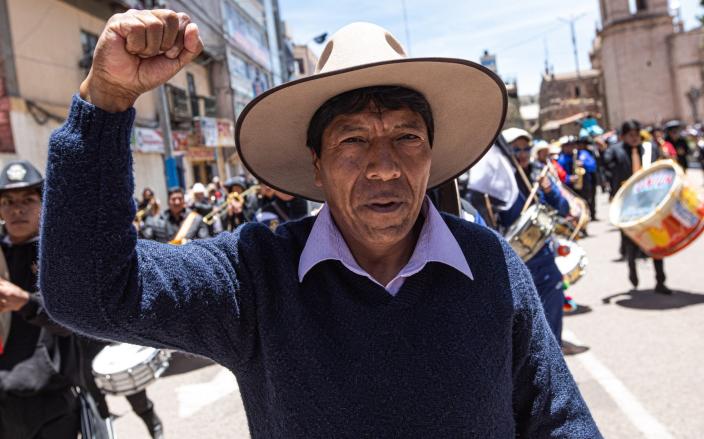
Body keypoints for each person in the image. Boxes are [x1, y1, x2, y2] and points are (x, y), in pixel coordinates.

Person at [39, 11, 600, 437]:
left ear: (430, 152)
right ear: (317, 162)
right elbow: (91, 295)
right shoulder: (257, 274)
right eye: (353, 140)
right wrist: (106, 103)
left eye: (407, 136)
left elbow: (558, 418)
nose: (384, 166)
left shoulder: (489, 261)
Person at [0, 160, 82, 438]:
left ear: (43, 204)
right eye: (8, 201)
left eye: (28, 199)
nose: (17, 209)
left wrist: (26, 302)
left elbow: (72, 321)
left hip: (51, 400)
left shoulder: (60, 254)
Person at [500, 128, 574, 352]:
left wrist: (550, 191)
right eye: (516, 149)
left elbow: (562, 209)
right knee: (523, 331)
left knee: (553, 321)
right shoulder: (500, 182)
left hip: (545, 258)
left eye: (526, 148)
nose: (522, 154)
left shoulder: (539, 174)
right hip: (516, 264)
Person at [603, 120, 672, 294]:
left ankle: (661, 281)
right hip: (628, 204)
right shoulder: (615, 152)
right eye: (630, 135)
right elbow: (607, 169)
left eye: (637, 134)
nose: (634, 138)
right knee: (630, 242)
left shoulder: (650, 149)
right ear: (623, 136)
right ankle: (632, 268)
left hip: (650, 201)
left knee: (656, 241)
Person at [141, 186, 209, 243]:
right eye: (173, 199)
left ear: (184, 201)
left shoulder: (196, 219)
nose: (177, 202)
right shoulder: (158, 220)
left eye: (180, 199)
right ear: (168, 202)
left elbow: (204, 242)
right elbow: (147, 239)